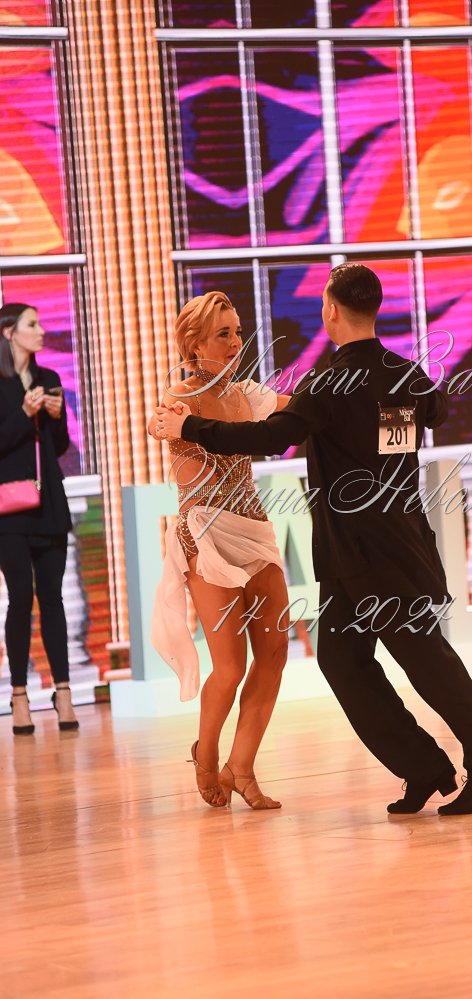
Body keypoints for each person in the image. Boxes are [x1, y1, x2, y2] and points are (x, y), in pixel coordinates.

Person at [153, 265, 472, 816]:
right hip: (380, 549)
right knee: (344, 664)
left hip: (370, 555)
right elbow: (437, 411)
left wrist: (189, 428)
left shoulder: (328, 384)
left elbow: (271, 437)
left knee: (429, 664)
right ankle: (423, 767)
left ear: (330, 311)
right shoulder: (405, 374)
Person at [148, 291, 292, 810]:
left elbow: (305, 409)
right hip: (205, 537)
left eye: (237, 332)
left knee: (274, 655)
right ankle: (205, 755)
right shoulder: (180, 397)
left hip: (254, 531)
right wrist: (161, 420)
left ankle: (242, 767)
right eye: (223, 334)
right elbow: (159, 423)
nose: (235, 342)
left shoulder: (247, 395)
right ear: (194, 344)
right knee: (229, 666)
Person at [0, 303, 78, 734]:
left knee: (53, 598)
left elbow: (59, 446)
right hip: (9, 510)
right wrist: (24, 414)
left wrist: (55, 416)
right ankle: (18, 695)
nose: (42, 330)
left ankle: (63, 693)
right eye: (32, 324)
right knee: (19, 600)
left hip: (49, 505)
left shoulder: (49, 378)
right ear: (9, 332)